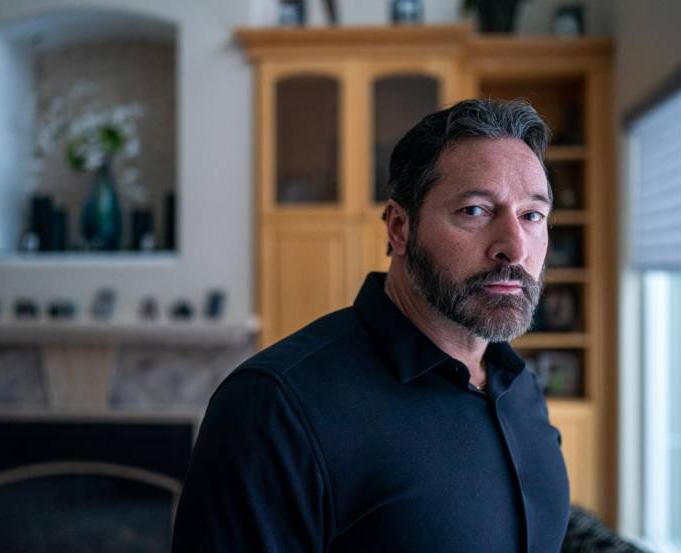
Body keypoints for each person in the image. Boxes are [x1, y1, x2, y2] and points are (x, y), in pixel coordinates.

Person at [172, 98, 569, 552]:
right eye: (475, 210)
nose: (515, 248)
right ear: (399, 227)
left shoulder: (519, 386)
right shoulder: (272, 409)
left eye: (532, 215)